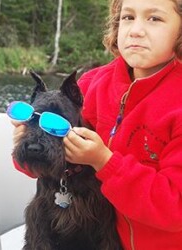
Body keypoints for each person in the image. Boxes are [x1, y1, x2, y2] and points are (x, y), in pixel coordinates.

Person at [12, 0, 182, 249]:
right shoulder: (91, 85)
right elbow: (52, 160)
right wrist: (28, 143)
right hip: (90, 237)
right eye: (127, 17)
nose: (135, 30)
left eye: (154, 18)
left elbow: (175, 207)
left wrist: (104, 162)